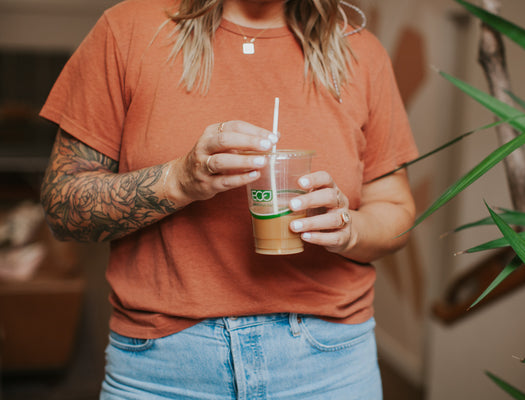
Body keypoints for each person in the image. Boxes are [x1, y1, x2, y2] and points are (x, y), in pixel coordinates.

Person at [39, 0, 419, 398]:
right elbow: (62, 207)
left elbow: (396, 210)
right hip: (161, 367)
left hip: (328, 364)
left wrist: (349, 229)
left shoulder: (360, 51)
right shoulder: (128, 30)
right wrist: (178, 180)